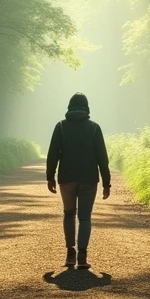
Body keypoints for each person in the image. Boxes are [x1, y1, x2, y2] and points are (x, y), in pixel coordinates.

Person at [46, 92, 111, 269]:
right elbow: (102, 158)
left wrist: (50, 177)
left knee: (68, 214)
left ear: (69, 106)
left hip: (66, 178)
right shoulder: (94, 128)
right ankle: (82, 256)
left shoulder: (60, 127)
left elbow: (53, 155)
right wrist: (106, 183)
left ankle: (70, 254)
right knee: (84, 217)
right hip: (89, 178)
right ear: (87, 107)